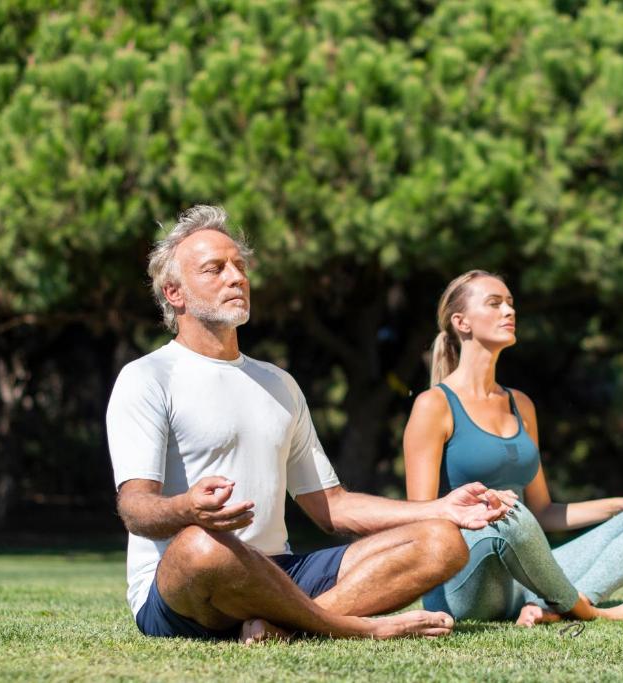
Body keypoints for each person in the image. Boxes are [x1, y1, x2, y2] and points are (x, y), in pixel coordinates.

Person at [106, 207, 512, 643]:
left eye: (240, 267)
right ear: (175, 293)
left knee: (442, 541)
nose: (236, 278)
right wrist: (188, 508)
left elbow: (332, 506)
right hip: (187, 583)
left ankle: (286, 628)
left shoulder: (278, 383)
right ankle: (354, 628)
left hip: (277, 571)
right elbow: (135, 509)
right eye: (214, 269)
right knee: (200, 546)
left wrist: (440, 508)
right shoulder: (148, 377)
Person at [403, 270, 623, 626]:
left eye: (510, 303)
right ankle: (586, 610)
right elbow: (419, 521)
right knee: (507, 510)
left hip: (524, 575)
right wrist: (485, 510)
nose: (509, 311)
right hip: (463, 588)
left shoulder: (521, 405)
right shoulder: (434, 405)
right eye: (494, 303)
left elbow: (544, 511)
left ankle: (553, 606)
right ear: (462, 322)